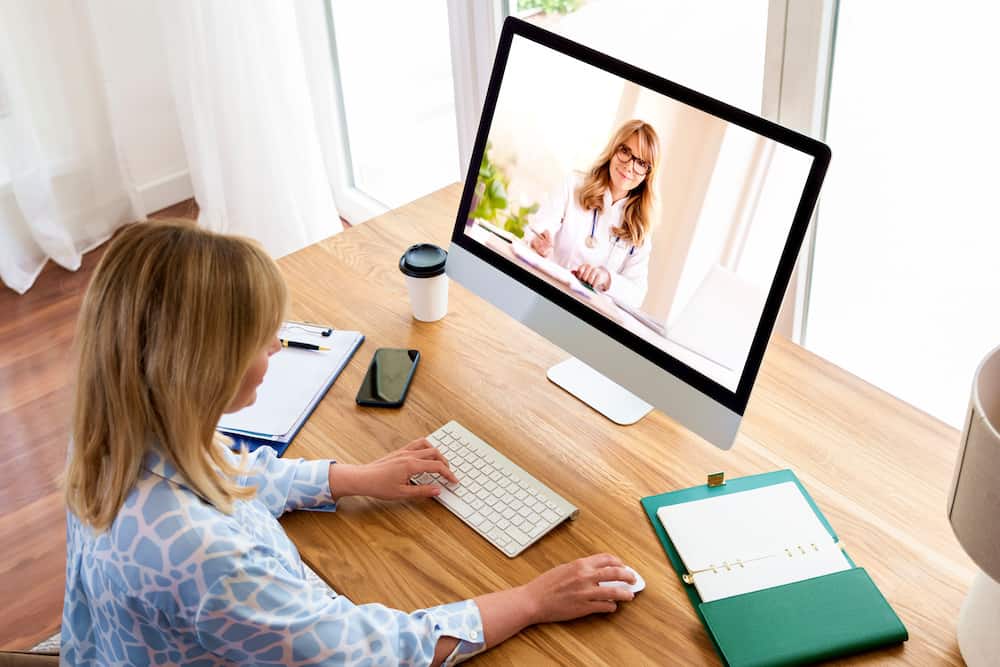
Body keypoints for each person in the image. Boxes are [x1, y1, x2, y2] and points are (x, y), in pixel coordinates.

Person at [61, 220, 636, 666]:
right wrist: (532, 600)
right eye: (265, 340)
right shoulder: (204, 558)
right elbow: (371, 653)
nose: (277, 351)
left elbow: (229, 473)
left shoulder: (114, 437)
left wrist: (354, 478)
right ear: (205, 367)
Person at [528, 119, 659, 309]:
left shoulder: (641, 228)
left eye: (641, 163)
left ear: (648, 174)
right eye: (625, 152)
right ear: (614, 150)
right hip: (544, 294)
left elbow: (636, 295)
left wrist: (607, 279)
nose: (629, 167)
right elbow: (537, 230)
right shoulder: (573, 185)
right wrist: (538, 243)